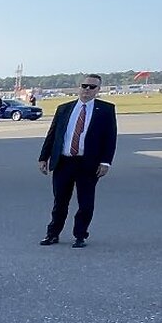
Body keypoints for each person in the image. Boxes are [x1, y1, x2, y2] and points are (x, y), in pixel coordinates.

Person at [38, 74, 117, 248]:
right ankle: (52, 234)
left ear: (98, 90)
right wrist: (44, 157)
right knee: (60, 201)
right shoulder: (64, 109)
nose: (87, 90)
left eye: (92, 87)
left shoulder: (105, 110)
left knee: (85, 203)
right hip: (64, 162)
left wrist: (106, 162)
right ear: (78, 87)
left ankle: (80, 235)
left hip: (87, 164)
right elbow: (52, 134)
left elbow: (110, 138)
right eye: (84, 86)